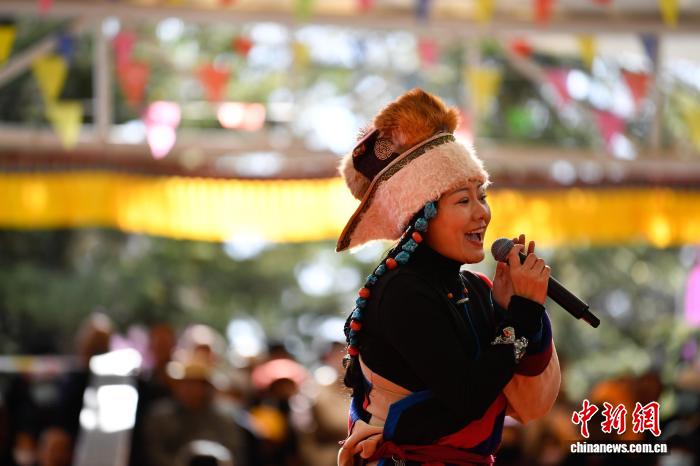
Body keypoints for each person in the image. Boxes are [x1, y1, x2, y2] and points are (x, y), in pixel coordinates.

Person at [335, 89, 561, 465]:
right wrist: (522, 313)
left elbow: (529, 406)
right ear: (422, 213)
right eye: (463, 200)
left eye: (482, 196)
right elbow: (467, 398)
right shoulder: (403, 291)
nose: (482, 213)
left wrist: (507, 310)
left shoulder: (473, 287)